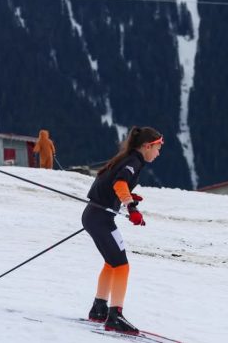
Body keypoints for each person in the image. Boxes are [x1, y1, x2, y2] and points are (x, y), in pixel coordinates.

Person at [83, 126, 164, 335]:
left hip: (96, 216)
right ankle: (114, 317)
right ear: (147, 146)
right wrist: (131, 207)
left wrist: (128, 196)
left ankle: (99, 308)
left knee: (113, 263)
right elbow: (120, 183)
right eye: (157, 148)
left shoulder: (129, 158)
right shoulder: (133, 161)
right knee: (121, 265)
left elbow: (116, 185)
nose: (158, 153)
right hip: (100, 218)